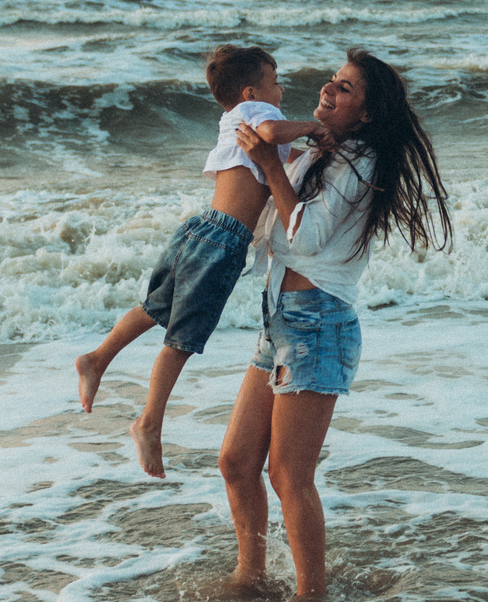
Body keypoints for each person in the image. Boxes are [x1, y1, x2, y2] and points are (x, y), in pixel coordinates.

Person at [220, 48, 451, 602]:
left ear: (366, 114)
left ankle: (310, 599)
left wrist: (273, 163)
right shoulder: (323, 154)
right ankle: (251, 579)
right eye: (331, 80)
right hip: (280, 318)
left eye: (344, 88)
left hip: (318, 321)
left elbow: (306, 238)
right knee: (236, 461)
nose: (327, 89)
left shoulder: (361, 162)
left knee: (288, 475)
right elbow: (268, 219)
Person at [74, 45, 321, 478]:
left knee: (155, 308)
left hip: (199, 228)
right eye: (275, 80)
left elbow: (290, 157)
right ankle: (149, 422)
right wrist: (314, 128)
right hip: (223, 242)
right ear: (251, 92)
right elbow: (272, 133)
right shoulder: (260, 115)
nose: (282, 89)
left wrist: (326, 151)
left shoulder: (233, 119)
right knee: (182, 339)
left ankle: (98, 357)